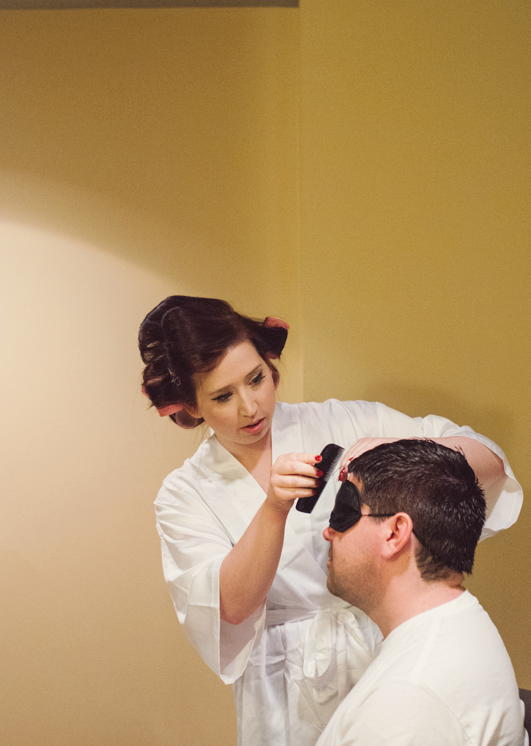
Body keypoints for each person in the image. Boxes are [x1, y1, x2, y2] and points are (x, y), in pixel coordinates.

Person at [138, 296, 523, 746]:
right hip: (285, 688)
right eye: (223, 396)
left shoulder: (341, 420)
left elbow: (491, 463)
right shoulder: (185, 494)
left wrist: (399, 447)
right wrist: (273, 510)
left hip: (383, 645)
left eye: (256, 378)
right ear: (191, 406)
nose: (250, 407)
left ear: (268, 362)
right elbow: (230, 609)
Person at [318, 439, 527, 746]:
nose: (327, 532)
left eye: (343, 513)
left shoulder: (406, 702)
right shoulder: (456, 626)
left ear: (394, 533)